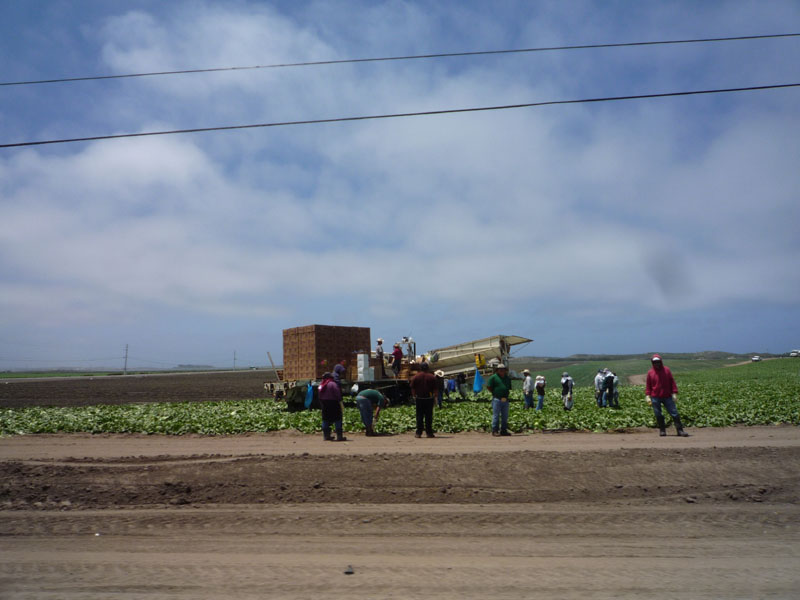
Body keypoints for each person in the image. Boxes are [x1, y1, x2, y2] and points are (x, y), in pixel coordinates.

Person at [645, 354, 689, 437]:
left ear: (661, 361)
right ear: (652, 363)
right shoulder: (650, 372)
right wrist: (647, 395)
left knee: (674, 413)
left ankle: (680, 430)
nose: (657, 364)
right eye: (655, 362)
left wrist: (674, 393)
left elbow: (672, 381)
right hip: (655, 397)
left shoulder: (666, 370)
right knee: (658, 414)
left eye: (658, 362)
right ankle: (662, 430)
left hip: (667, 396)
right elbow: (648, 385)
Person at [410, 362, 437, 438]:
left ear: (420, 368)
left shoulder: (416, 377)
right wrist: (435, 398)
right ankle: (429, 433)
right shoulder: (432, 377)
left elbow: (412, 388)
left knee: (419, 416)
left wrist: (414, 396)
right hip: (429, 399)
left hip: (419, 399)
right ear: (427, 368)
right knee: (429, 416)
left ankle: (418, 433)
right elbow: (435, 389)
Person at [318, 372, 347, 441]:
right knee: (337, 418)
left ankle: (326, 436)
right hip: (334, 403)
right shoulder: (333, 384)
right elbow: (337, 393)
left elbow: (319, 394)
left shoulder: (321, 384)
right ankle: (339, 436)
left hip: (324, 404)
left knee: (325, 419)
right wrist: (340, 400)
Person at [487, 363, 512, 436]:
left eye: (503, 369)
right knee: (496, 416)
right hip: (497, 399)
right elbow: (489, 386)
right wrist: (495, 392)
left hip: (505, 399)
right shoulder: (493, 377)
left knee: (505, 416)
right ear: (497, 370)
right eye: (500, 369)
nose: (502, 371)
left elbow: (509, 387)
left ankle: (503, 430)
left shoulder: (507, 378)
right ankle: (495, 430)